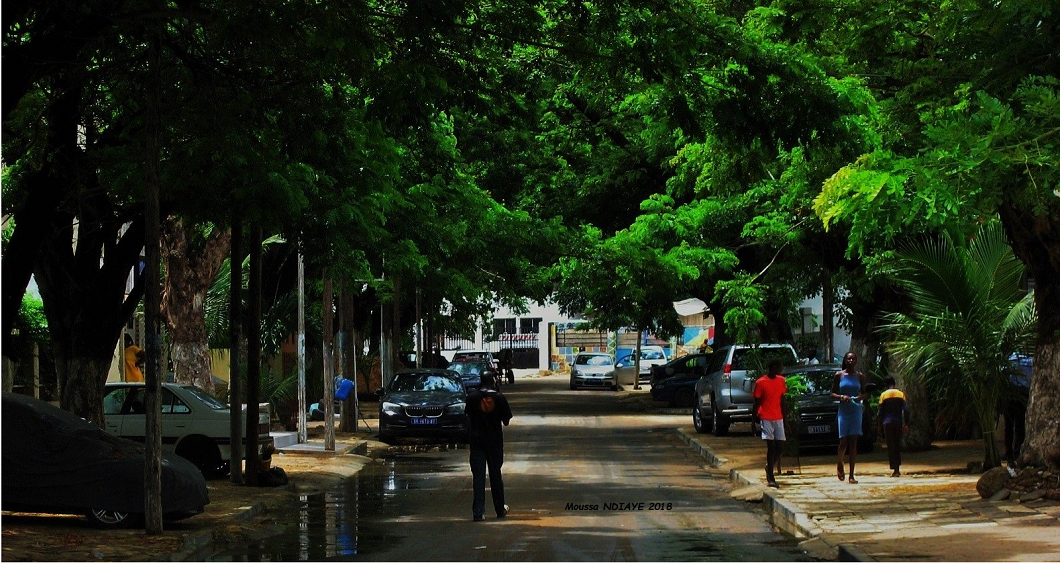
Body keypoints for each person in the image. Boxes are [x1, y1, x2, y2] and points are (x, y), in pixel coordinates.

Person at [465, 370, 513, 521]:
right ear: (493, 381)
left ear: (480, 380)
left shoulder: (472, 397)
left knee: (478, 477)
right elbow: (506, 421)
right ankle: (499, 510)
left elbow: (468, 417)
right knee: (496, 476)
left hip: (477, 442)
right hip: (494, 443)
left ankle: (478, 512)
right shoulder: (499, 398)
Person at [831, 351, 867, 483]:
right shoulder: (839, 375)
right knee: (843, 441)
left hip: (855, 410)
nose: (850, 361)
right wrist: (841, 396)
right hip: (844, 410)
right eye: (848, 359)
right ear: (845, 360)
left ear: (856, 361)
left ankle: (852, 475)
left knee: (853, 442)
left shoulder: (860, 376)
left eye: (853, 359)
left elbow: (864, 394)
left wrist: (859, 398)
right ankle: (840, 462)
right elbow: (832, 393)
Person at [752, 359, 787, 488]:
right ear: (773, 367)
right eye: (779, 367)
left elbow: (782, 400)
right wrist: (753, 420)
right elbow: (757, 403)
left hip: (778, 417)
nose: (780, 370)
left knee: (780, 446)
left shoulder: (781, 381)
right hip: (766, 417)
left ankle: (769, 465)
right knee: (771, 446)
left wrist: (785, 419)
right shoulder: (761, 382)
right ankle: (770, 476)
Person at [877, 376, 910, 477]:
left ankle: (894, 469)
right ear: (894, 383)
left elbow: (880, 413)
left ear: (885, 385)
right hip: (897, 422)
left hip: (887, 423)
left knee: (891, 446)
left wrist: (878, 426)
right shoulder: (901, 394)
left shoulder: (883, 395)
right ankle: (897, 469)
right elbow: (906, 410)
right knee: (897, 445)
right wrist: (907, 424)